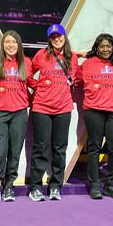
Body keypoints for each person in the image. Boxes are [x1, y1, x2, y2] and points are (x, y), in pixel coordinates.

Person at [28, 24, 78, 202]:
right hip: (42, 107)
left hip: (63, 108)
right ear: (49, 39)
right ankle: (35, 187)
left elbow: (75, 78)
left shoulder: (72, 57)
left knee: (59, 148)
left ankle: (56, 186)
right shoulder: (41, 55)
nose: (57, 39)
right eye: (53, 37)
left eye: (60, 36)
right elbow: (27, 73)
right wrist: (37, 86)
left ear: (65, 36)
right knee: (41, 148)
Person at [0, 30, 36, 203]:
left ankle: (9, 185)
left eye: (14, 42)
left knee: (15, 151)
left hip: (19, 113)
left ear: (19, 45)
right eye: (7, 42)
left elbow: (32, 84)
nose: (11, 45)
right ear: (3, 44)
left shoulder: (26, 62)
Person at [76, 33, 113, 200]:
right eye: (102, 46)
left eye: (108, 46)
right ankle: (95, 185)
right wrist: (78, 55)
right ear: (96, 48)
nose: (105, 49)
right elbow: (76, 81)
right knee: (94, 148)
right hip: (94, 110)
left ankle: (111, 185)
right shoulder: (88, 64)